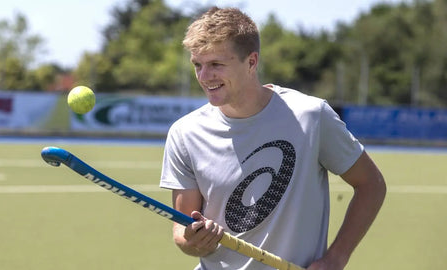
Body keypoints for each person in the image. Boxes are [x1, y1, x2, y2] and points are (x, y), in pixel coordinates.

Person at [160, 6, 386, 270]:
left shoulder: (310, 116)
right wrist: (194, 239)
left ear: (252, 62)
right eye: (197, 65)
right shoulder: (184, 133)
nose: (204, 76)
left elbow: (371, 184)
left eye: (216, 65)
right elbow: (182, 231)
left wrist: (336, 258)